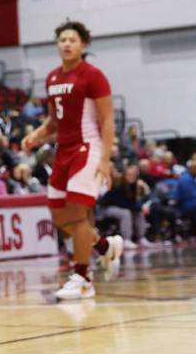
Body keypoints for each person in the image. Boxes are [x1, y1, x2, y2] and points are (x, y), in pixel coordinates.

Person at [22, 20, 123, 300]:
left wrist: (105, 159)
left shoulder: (93, 75)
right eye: (62, 39)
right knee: (60, 216)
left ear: (83, 45)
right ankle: (104, 247)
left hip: (87, 148)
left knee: (77, 214)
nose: (66, 44)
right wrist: (37, 136)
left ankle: (83, 277)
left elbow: (107, 120)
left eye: (72, 40)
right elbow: (55, 121)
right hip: (62, 150)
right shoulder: (53, 78)